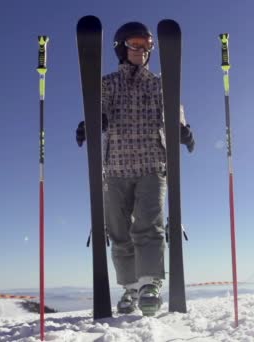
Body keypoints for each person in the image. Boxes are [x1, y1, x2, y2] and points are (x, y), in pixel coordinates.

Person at [76, 21, 195, 316]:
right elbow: (99, 107)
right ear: (121, 48)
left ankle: (148, 285)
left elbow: (173, 109)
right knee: (119, 233)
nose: (142, 50)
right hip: (114, 169)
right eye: (135, 44)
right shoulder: (108, 83)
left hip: (152, 166)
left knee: (148, 226)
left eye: (147, 45)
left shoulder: (158, 83)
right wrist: (92, 123)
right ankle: (129, 288)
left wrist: (182, 129)